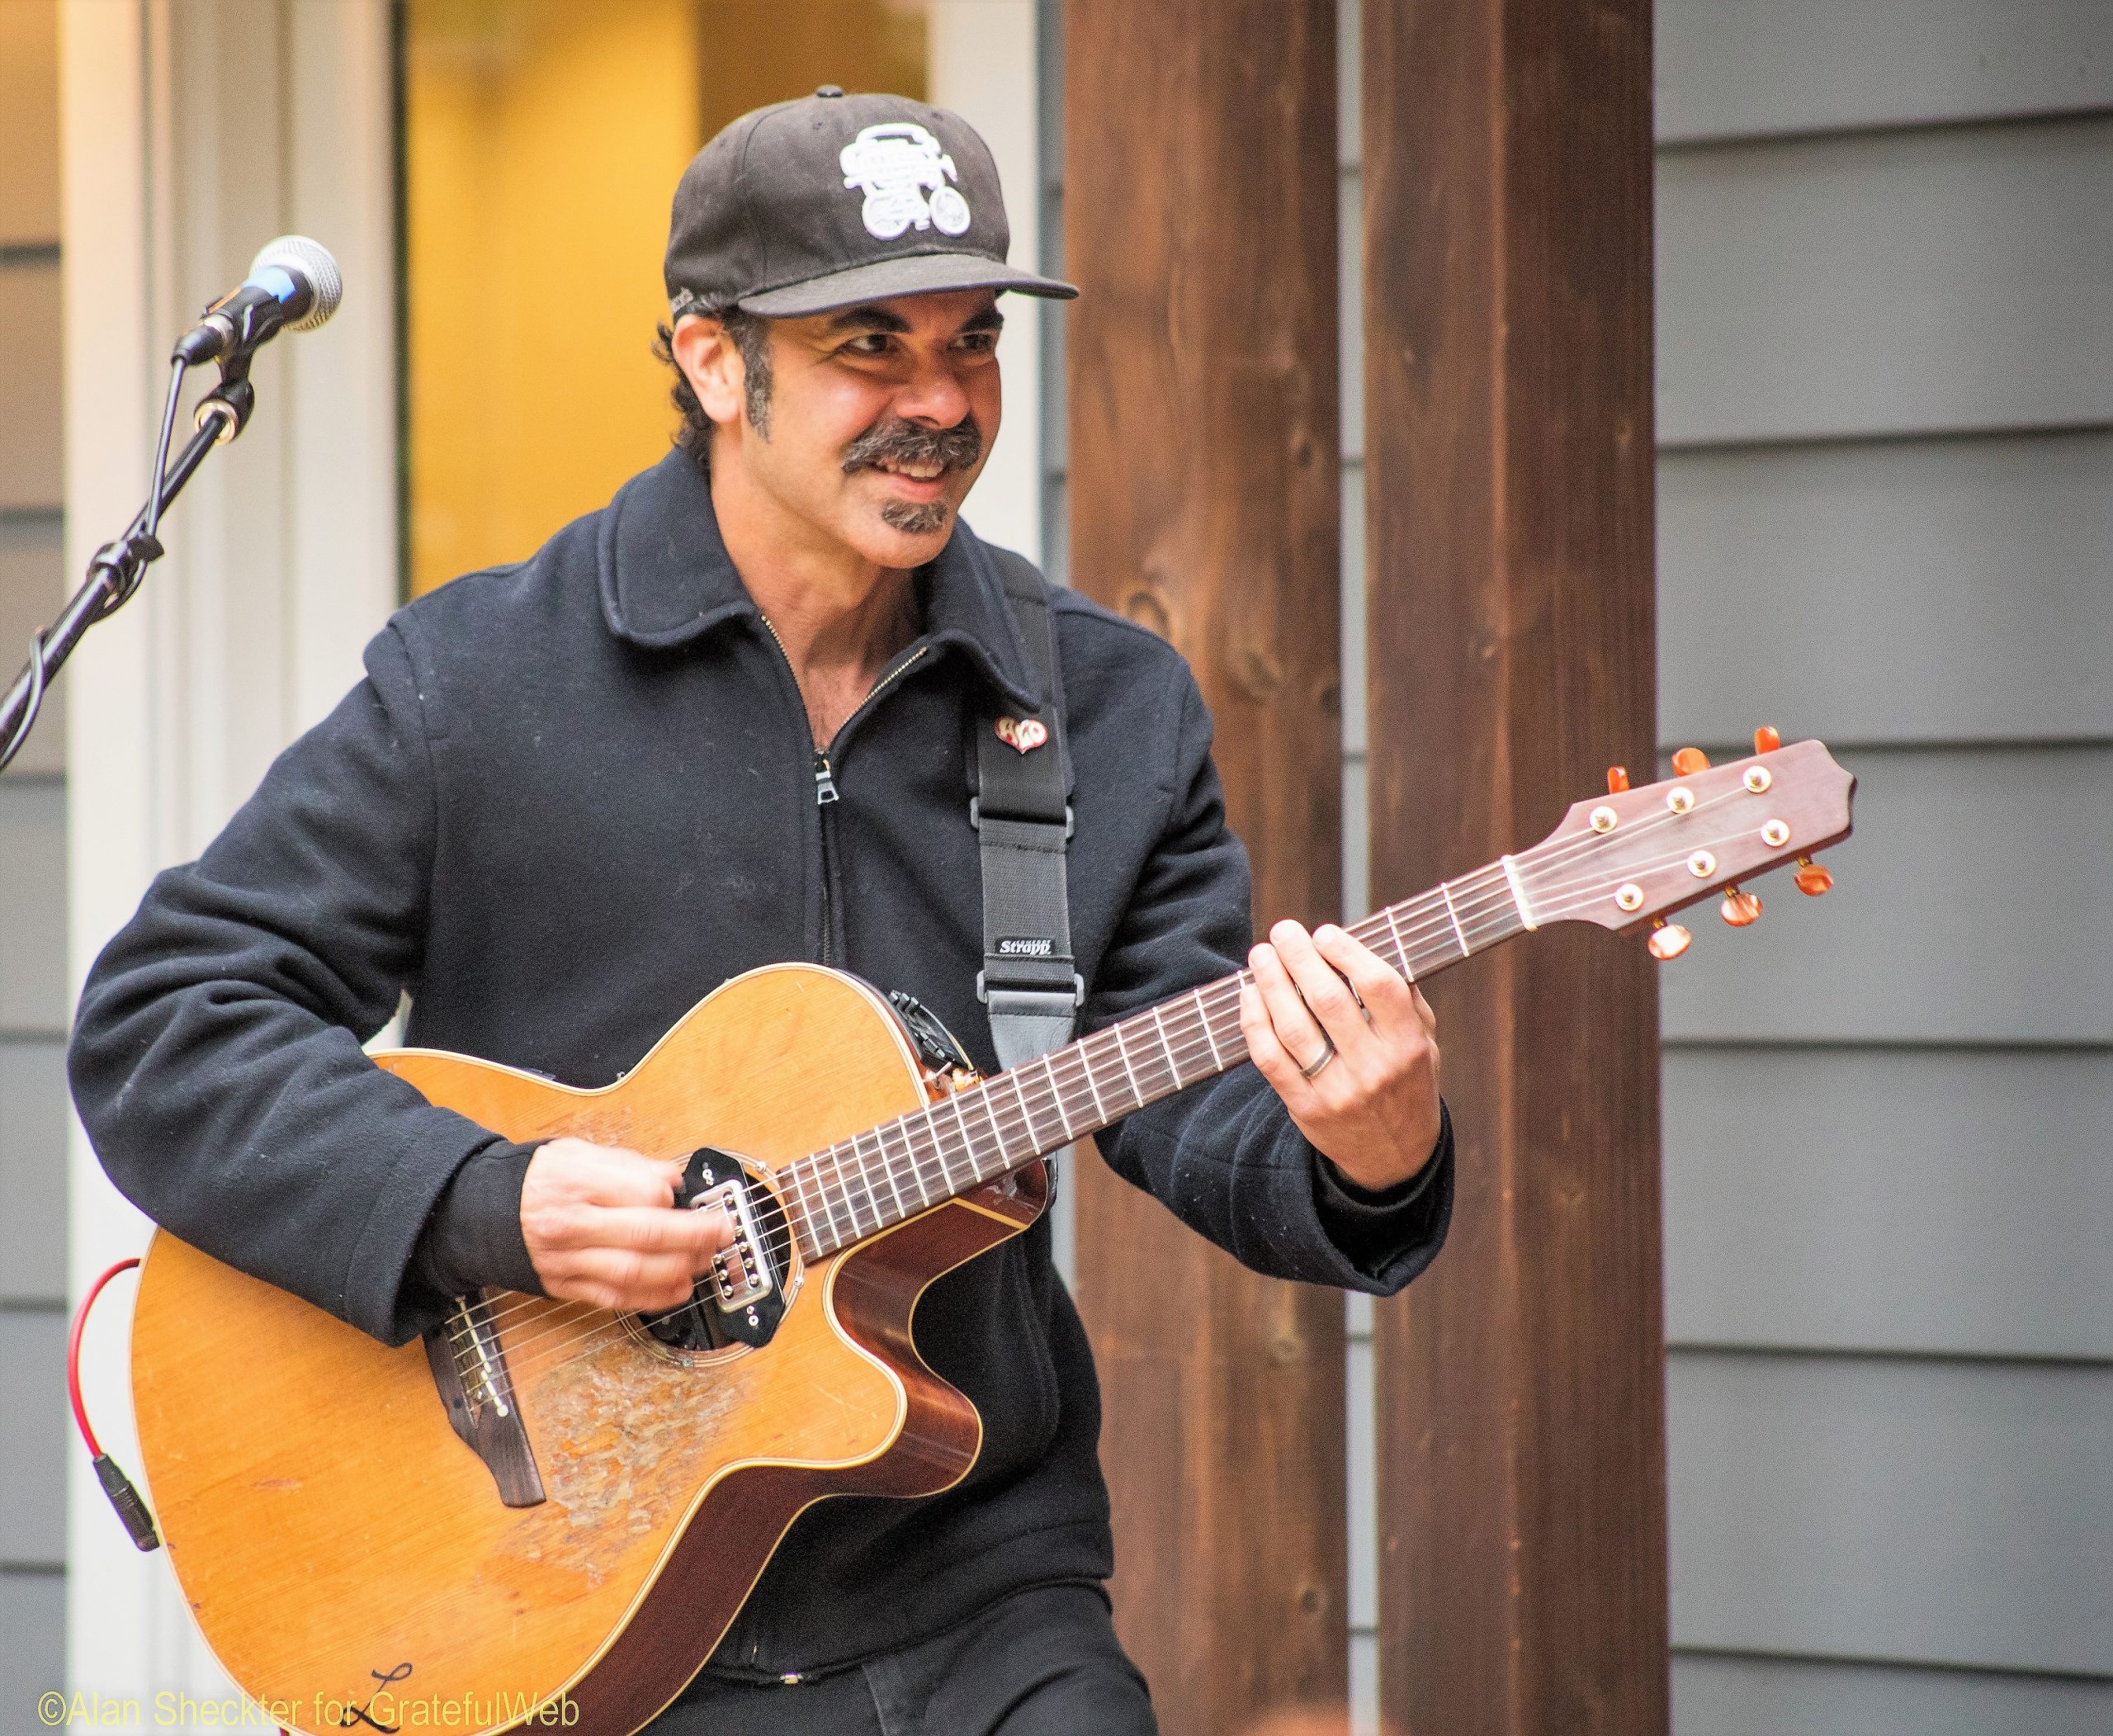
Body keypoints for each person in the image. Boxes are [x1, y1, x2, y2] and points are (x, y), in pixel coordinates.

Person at [69, 88, 1454, 1735]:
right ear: (714, 362)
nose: (942, 401)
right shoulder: (479, 681)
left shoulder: (1101, 705)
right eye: (872, 346)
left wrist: (1370, 1151)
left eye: (972, 340)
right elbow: (168, 1019)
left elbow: (1190, 1095)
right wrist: (485, 1201)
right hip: (563, 1595)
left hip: (971, 1581)